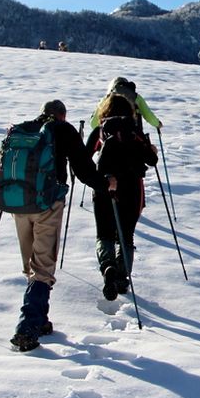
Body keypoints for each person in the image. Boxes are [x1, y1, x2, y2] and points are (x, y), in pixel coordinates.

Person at [11, 99, 114, 352]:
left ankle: (41, 319)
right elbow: (83, 169)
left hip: (18, 204)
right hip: (47, 204)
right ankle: (27, 329)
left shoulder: (22, 130)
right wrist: (106, 184)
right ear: (63, 116)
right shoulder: (63, 130)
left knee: (31, 264)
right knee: (43, 266)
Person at [84, 94, 158, 300]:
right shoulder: (135, 132)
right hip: (132, 189)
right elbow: (151, 160)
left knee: (104, 234)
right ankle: (122, 279)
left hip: (105, 188)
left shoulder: (100, 131)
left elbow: (84, 158)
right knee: (126, 236)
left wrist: (98, 178)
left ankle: (108, 268)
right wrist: (152, 150)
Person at [88, 76, 163, 133]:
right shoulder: (136, 97)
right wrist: (157, 124)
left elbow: (93, 124)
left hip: (110, 137)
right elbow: (149, 117)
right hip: (133, 137)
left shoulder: (106, 99)